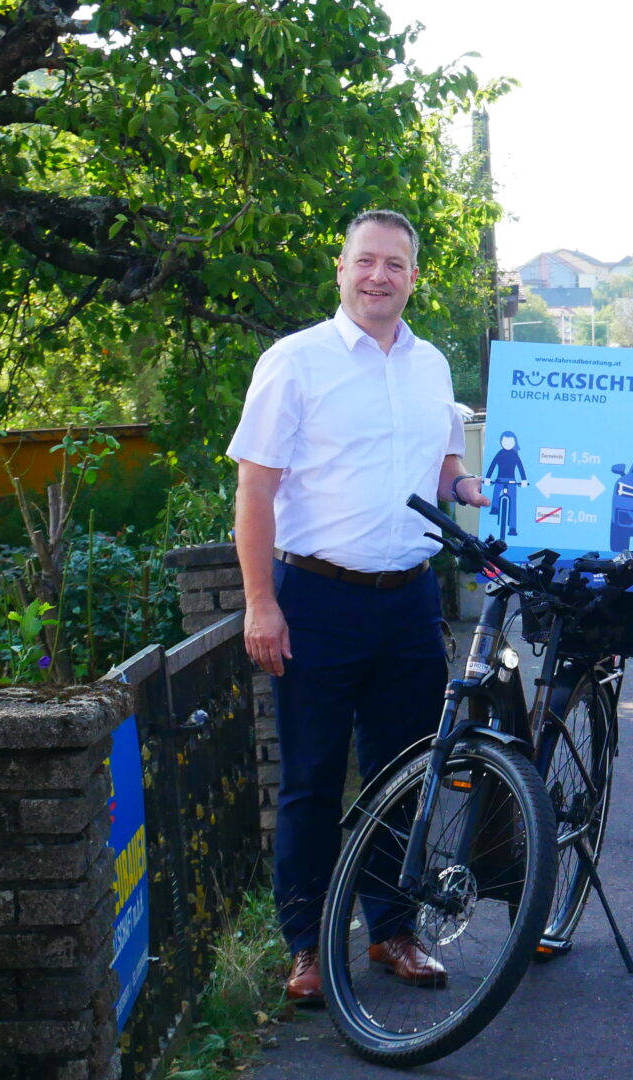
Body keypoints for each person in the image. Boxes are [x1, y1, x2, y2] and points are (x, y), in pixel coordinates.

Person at [228, 209, 490, 1005]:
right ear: (340, 269)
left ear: (414, 277)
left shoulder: (431, 364)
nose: (379, 276)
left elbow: (444, 466)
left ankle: (390, 931)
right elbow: (255, 488)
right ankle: (306, 947)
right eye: (365, 262)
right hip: (316, 599)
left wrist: (483, 491)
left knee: (404, 774)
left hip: (410, 601)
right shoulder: (294, 361)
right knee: (309, 779)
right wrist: (260, 604)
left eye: (396, 265)